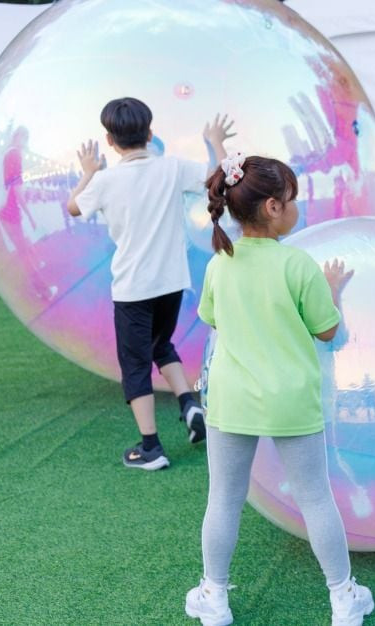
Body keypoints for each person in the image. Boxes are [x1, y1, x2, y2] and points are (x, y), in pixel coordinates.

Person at [185, 153, 373, 626]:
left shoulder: (220, 264)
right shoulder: (299, 265)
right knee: (316, 498)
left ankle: (214, 597)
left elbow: (212, 320)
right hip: (291, 399)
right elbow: (327, 331)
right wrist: (333, 291)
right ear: (272, 207)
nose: (296, 207)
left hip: (230, 399)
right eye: (291, 199)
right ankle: (343, 598)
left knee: (224, 499)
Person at [67, 97, 235, 470]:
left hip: (133, 290)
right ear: (150, 134)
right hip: (171, 283)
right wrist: (216, 142)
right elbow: (219, 179)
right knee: (161, 345)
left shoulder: (105, 181)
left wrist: (88, 172)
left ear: (110, 141)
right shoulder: (172, 168)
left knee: (135, 364)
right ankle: (190, 406)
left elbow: (73, 207)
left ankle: (151, 448)